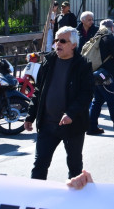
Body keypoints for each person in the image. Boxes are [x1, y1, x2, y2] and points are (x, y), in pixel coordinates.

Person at [24, 26, 94, 180]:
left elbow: (86, 94)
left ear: (74, 45)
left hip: (72, 125)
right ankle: (34, 200)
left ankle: (75, 199)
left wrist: (71, 113)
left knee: (74, 166)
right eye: (56, 40)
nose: (58, 44)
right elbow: (38, 91)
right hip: (47, 124)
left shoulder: (82, 65)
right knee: (39, 164)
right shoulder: (48, 62)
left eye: (63, 41)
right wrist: (30, 116)